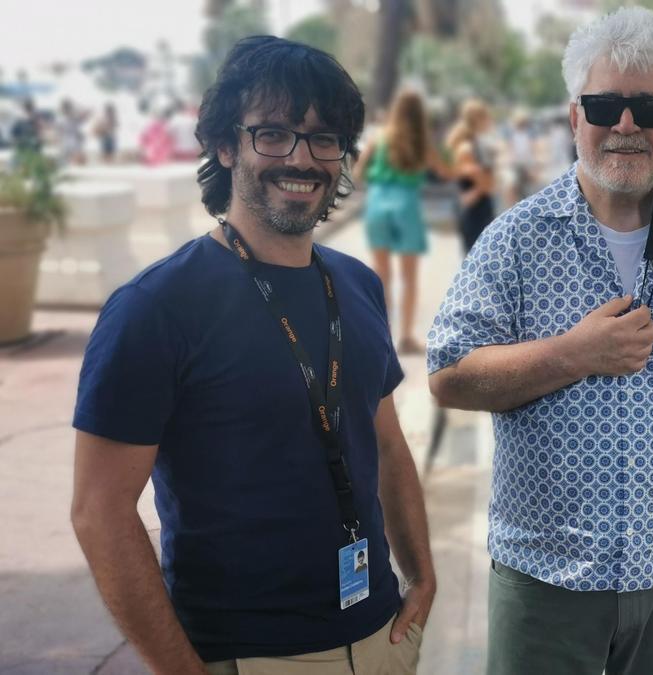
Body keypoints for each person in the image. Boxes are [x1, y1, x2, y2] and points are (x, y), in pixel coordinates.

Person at [427, 7, 653, 674]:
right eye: (605, 104)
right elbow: (449, 373)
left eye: (649, 108)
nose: (626, 124)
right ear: (574, 119)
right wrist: (574, 354)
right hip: (544, 575)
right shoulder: (516, 240)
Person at [71, 36, 435, 675]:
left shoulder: (355, 283)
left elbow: (387, 444)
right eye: (273, 133)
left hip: (382, 635)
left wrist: (423, 575)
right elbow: (99, 512)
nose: (301, 157)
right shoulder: (155, 306)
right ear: (225, 144)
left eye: (324, 138)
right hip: (249, 654)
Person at [353, 90, 449, 355]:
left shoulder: (379, 136)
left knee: (382, 276)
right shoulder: (422, 142)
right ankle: (405, 337)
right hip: (407, 203)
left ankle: (380, 335)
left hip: (378, 200)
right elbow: (443, 171)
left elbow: (358, 172)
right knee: (409, 277)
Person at [445, 98, 495, 254]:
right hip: (474, 212)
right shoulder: (467, 148)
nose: (490, 121)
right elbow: (486, 184)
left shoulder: (475, 144)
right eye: (486, 117)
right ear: (478, 119)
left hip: (479, 208)